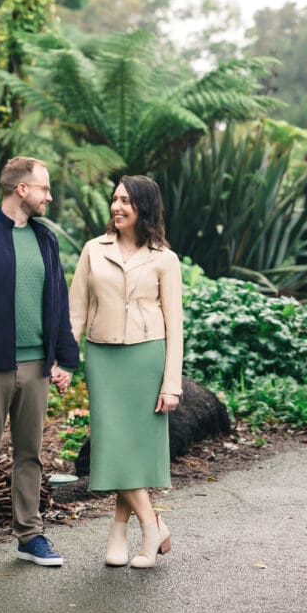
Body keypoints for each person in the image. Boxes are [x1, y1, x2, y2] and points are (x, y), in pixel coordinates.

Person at [0, 155, 79, 570]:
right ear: (21, 189)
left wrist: (65, 359)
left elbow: (57, 302)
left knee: (31, 454)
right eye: (44, 188)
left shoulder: (46, 240)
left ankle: (31, 536)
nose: (49, 196)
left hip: (37, 366)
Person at [69, 174, 183, 569]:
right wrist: (66, 360)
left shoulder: (165, 259)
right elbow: (76, 312)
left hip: (147, 358)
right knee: (113, 443)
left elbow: (175, 325)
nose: (117, 207)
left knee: (132, 449)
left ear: (144, 208)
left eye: (126, 202)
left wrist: (172, 384)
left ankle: (121, 530)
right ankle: (153, 526)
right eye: (114, 200)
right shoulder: (93, 250)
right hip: (102, 358)